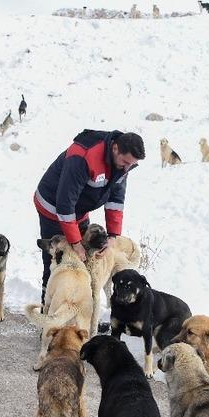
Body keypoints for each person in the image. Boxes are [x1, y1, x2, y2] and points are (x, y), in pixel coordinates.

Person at [34, 129, 145, 306]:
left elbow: (116, 200)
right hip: (52, 208)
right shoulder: (83, 157)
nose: (127, 168)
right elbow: (64, 203)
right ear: (115, 148)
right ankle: (49, 316)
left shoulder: (122, 165)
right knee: (58, 260)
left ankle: (76, 312)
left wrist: (113, 236)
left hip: (78, 210)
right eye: (125, 162)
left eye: (131, 165)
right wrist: (76, 243)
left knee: (86, 260)